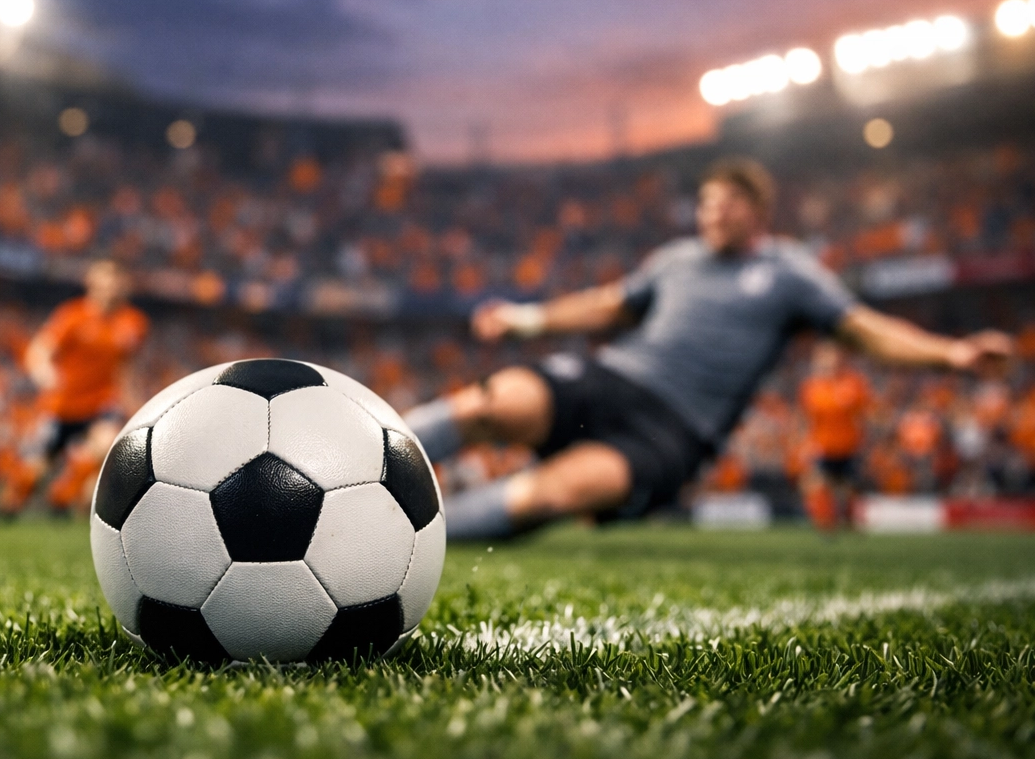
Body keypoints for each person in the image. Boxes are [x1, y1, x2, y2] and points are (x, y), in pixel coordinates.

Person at [403, 158, 1013, 540]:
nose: (712, 211)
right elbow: (609, 305)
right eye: (705, 202)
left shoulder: (790, 273)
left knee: (554, 493)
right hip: (611, 378)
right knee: (490, 403)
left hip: (675, 429)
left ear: (759, 212)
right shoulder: (674, 260)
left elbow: (860, 328)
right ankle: (365, 448)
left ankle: (413, 546)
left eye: (728, 201)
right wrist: (527, 319)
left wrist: (950, 356)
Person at [7, 260, 148, 515]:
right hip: (62, 405)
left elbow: (125, 368)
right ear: (91, 284)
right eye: (103, 283)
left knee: (105, 444)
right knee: (32, 473)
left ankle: (65, 493)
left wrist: (133, 402)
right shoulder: (72, 316)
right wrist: (45, 374)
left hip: (101, 404)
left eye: (114, 283)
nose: (109, 290)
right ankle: (17, 502)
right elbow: (39, 350)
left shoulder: (133, 323)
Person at [798, 340, 872, 530]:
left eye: (831, 356)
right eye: (823, 357)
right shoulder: (811, 387)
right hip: (823, 446)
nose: (828, 361)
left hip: (848, 446)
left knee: (850, 489)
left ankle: (850, 522)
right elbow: (805, 419)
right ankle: (825, 525)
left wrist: (864, 441)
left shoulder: (854, 383)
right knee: (814, 484)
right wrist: (805, 444)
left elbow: (864, 415)